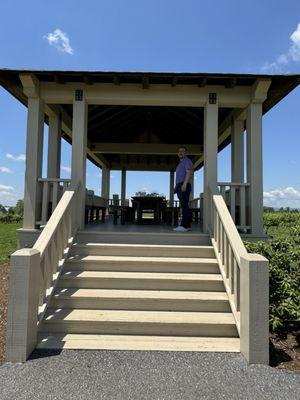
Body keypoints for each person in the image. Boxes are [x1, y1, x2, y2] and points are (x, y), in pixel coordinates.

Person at [173, 145, 193, 232]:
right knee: (184, 205)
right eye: (179, 151)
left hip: (184, 185)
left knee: (184, 205)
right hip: (180, 185)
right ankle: (187, 225)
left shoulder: (187, 161)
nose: (181, 152)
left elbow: (188, 173)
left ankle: (184, 226)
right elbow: (179, 176)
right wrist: (176, 187)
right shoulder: (180, 163)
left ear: (185, 153)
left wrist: (184, 184)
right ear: (178, 153)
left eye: (183, 151)